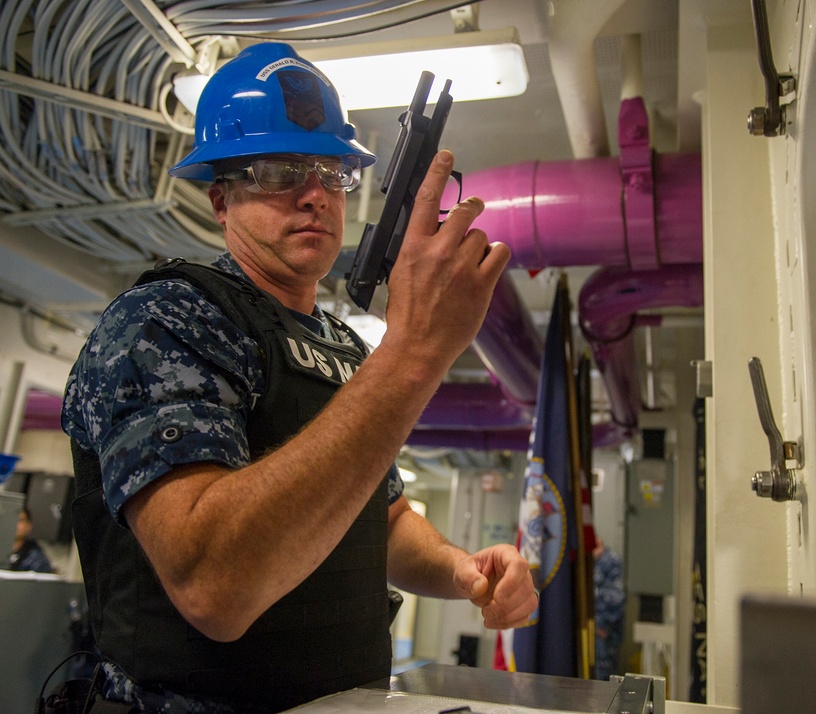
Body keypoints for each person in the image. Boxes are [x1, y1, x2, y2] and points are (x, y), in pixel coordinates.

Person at [61, 42, 534, 713]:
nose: (314, 195)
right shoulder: (163, 321)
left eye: (331, 171)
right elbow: (213, 587)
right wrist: (414, 353)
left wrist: (459, 569)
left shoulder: (342, 347)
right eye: (280, 171)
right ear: (222, 201)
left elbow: (384, 517)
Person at [592, 535, 625, 680]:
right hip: (591, 632)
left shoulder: (610, 560)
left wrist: (600, 626)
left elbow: (615, 597)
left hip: (603, 634)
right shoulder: (589, 561)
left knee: (602, 680)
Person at [7, 507, 54, 573]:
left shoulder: (36, 559)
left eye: (20, 520)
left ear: (28, 526)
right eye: (10, 519)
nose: (14, 524)